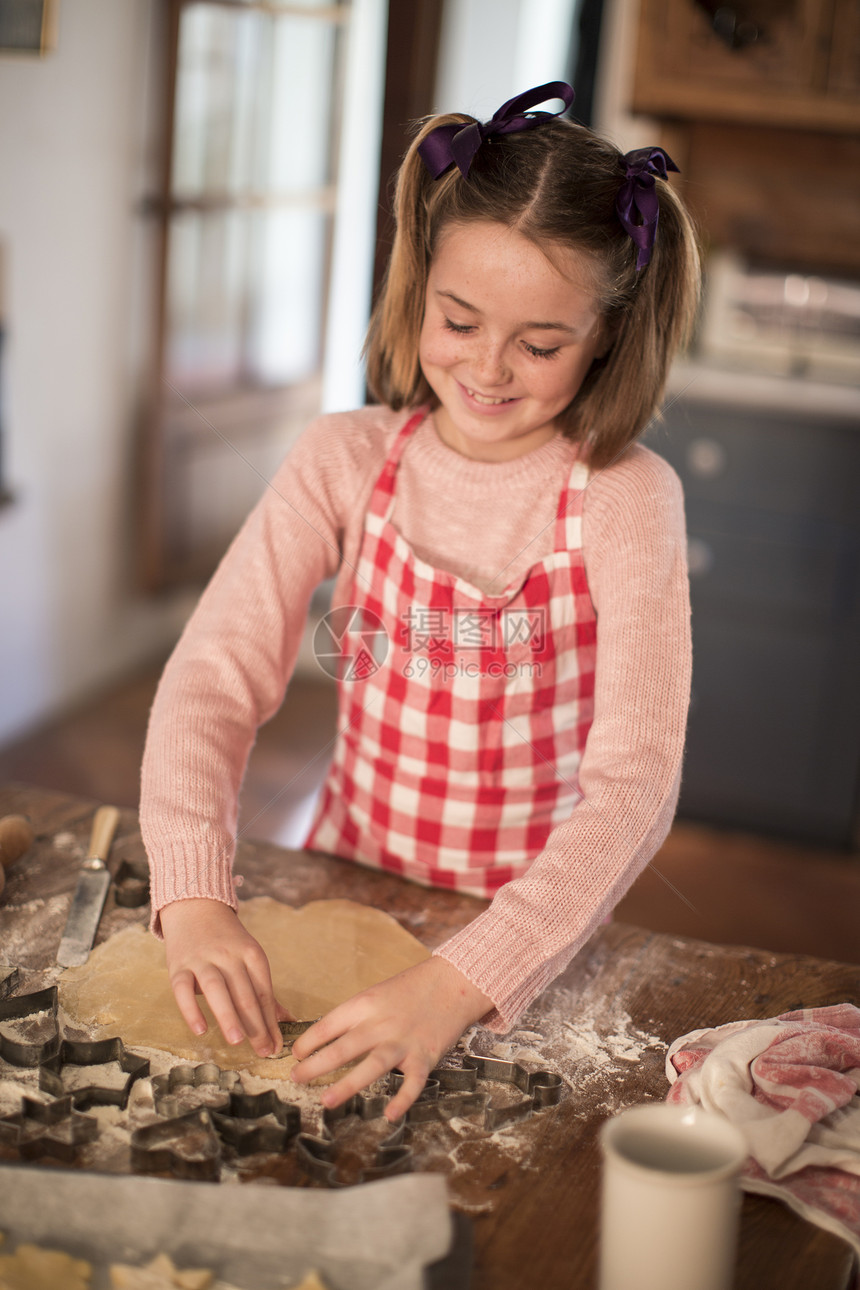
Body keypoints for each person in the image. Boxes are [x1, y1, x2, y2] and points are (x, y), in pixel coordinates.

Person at [140, 82, 701, 1120]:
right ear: (418, 289)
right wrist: (192, 899)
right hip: (350, 885)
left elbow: (632, 788)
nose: (486, 368)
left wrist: (463, 980)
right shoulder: (342, 459)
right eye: (458, 320)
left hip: (528, 941)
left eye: (540, 344)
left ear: (607, 336)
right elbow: (212, 680)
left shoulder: (625, 500)